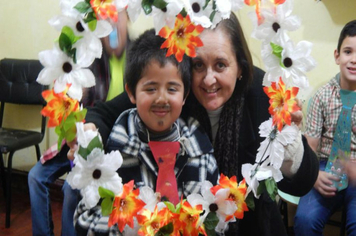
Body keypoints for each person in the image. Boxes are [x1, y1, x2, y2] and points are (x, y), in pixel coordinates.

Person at [70, 12, 319, 235]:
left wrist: (292, 146)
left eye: (220, 64)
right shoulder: (175, 93)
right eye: (198, 65)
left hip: (252, 226)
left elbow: (302, 182)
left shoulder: (264, 95)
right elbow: (103, 112)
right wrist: (90, 132)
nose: (209, 80)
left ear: (240, 67)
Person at [73, 28, 219, 235]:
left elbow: (211, 218)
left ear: (185, 95)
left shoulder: (198, 148)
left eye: (172, 89)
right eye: (150, 89)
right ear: (131, 92)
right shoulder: (113, 153)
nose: (161, 98)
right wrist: (132, 227)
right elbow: (85, 219)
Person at [27, 11, 129, 236]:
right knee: (35, 176)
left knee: (71, 187)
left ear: (128, 19)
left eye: (117, 17)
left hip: (108, 147)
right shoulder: (86, 57)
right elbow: (64, 101)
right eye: (106, 20)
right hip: (76, 141)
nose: (112, 24)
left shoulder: (136, 59)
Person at [294, 20, 356, 235]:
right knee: (304, 220)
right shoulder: (322, 96)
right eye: (348, 51)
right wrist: (313, 176)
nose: (354, 60)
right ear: (337, 55)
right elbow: (310, 146)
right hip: (325, 165)